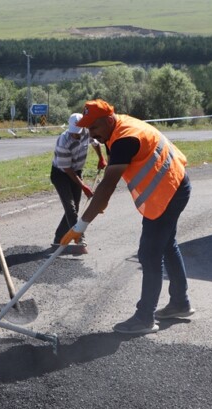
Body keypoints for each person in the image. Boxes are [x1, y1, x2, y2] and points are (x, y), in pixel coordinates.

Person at [61, 99, 194, 335]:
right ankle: (180, 303)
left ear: (109, 120)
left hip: (169, 190)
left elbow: (105, 190)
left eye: (94, 128)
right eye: (88, 129)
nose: (91, 134)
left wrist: (80, 226)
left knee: (149, 253)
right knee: (167, 245)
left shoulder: (124, 139)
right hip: (175, 182)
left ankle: (144, 318)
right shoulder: (118, 126)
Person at [50, 113, 105, 246]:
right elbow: (67, 169)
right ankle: (79, 237)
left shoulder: (87, 131)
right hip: (61, 174)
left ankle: (58, 238)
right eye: (74, 132)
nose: (76, 135)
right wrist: (84, 187)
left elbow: (95, 143)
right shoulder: (63, 142)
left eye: (78, 132)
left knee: (75, 207)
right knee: (70, 208)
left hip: (76, 171)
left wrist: (101, 158)